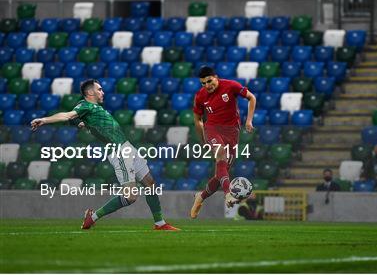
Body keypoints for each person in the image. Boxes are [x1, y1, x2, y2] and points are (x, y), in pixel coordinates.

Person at [30, 79, 178, 231]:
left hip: (127, 147)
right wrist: (44, 120)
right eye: (99, 89)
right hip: (119, 151)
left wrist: (82, 123)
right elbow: (67, 115)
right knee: (131, 196)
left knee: (150, 184)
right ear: (90, 92)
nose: (103, 92)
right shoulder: (84, 105)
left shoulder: (94, 109)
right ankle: (92, 217)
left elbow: (81, 122)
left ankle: (160, 223)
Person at [190, 66, 257, 219]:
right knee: (220, 154)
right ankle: (228, 194)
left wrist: (249, 121)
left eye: (209, 81)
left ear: (216, 77)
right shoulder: (200, 96)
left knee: (221, 174)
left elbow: (252, 97)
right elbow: (197, 120)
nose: (207, 85)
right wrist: (203, 140)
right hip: (212, 129)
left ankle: (200, 196)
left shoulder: (231, 86)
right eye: (203, 83)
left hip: (232, 132)